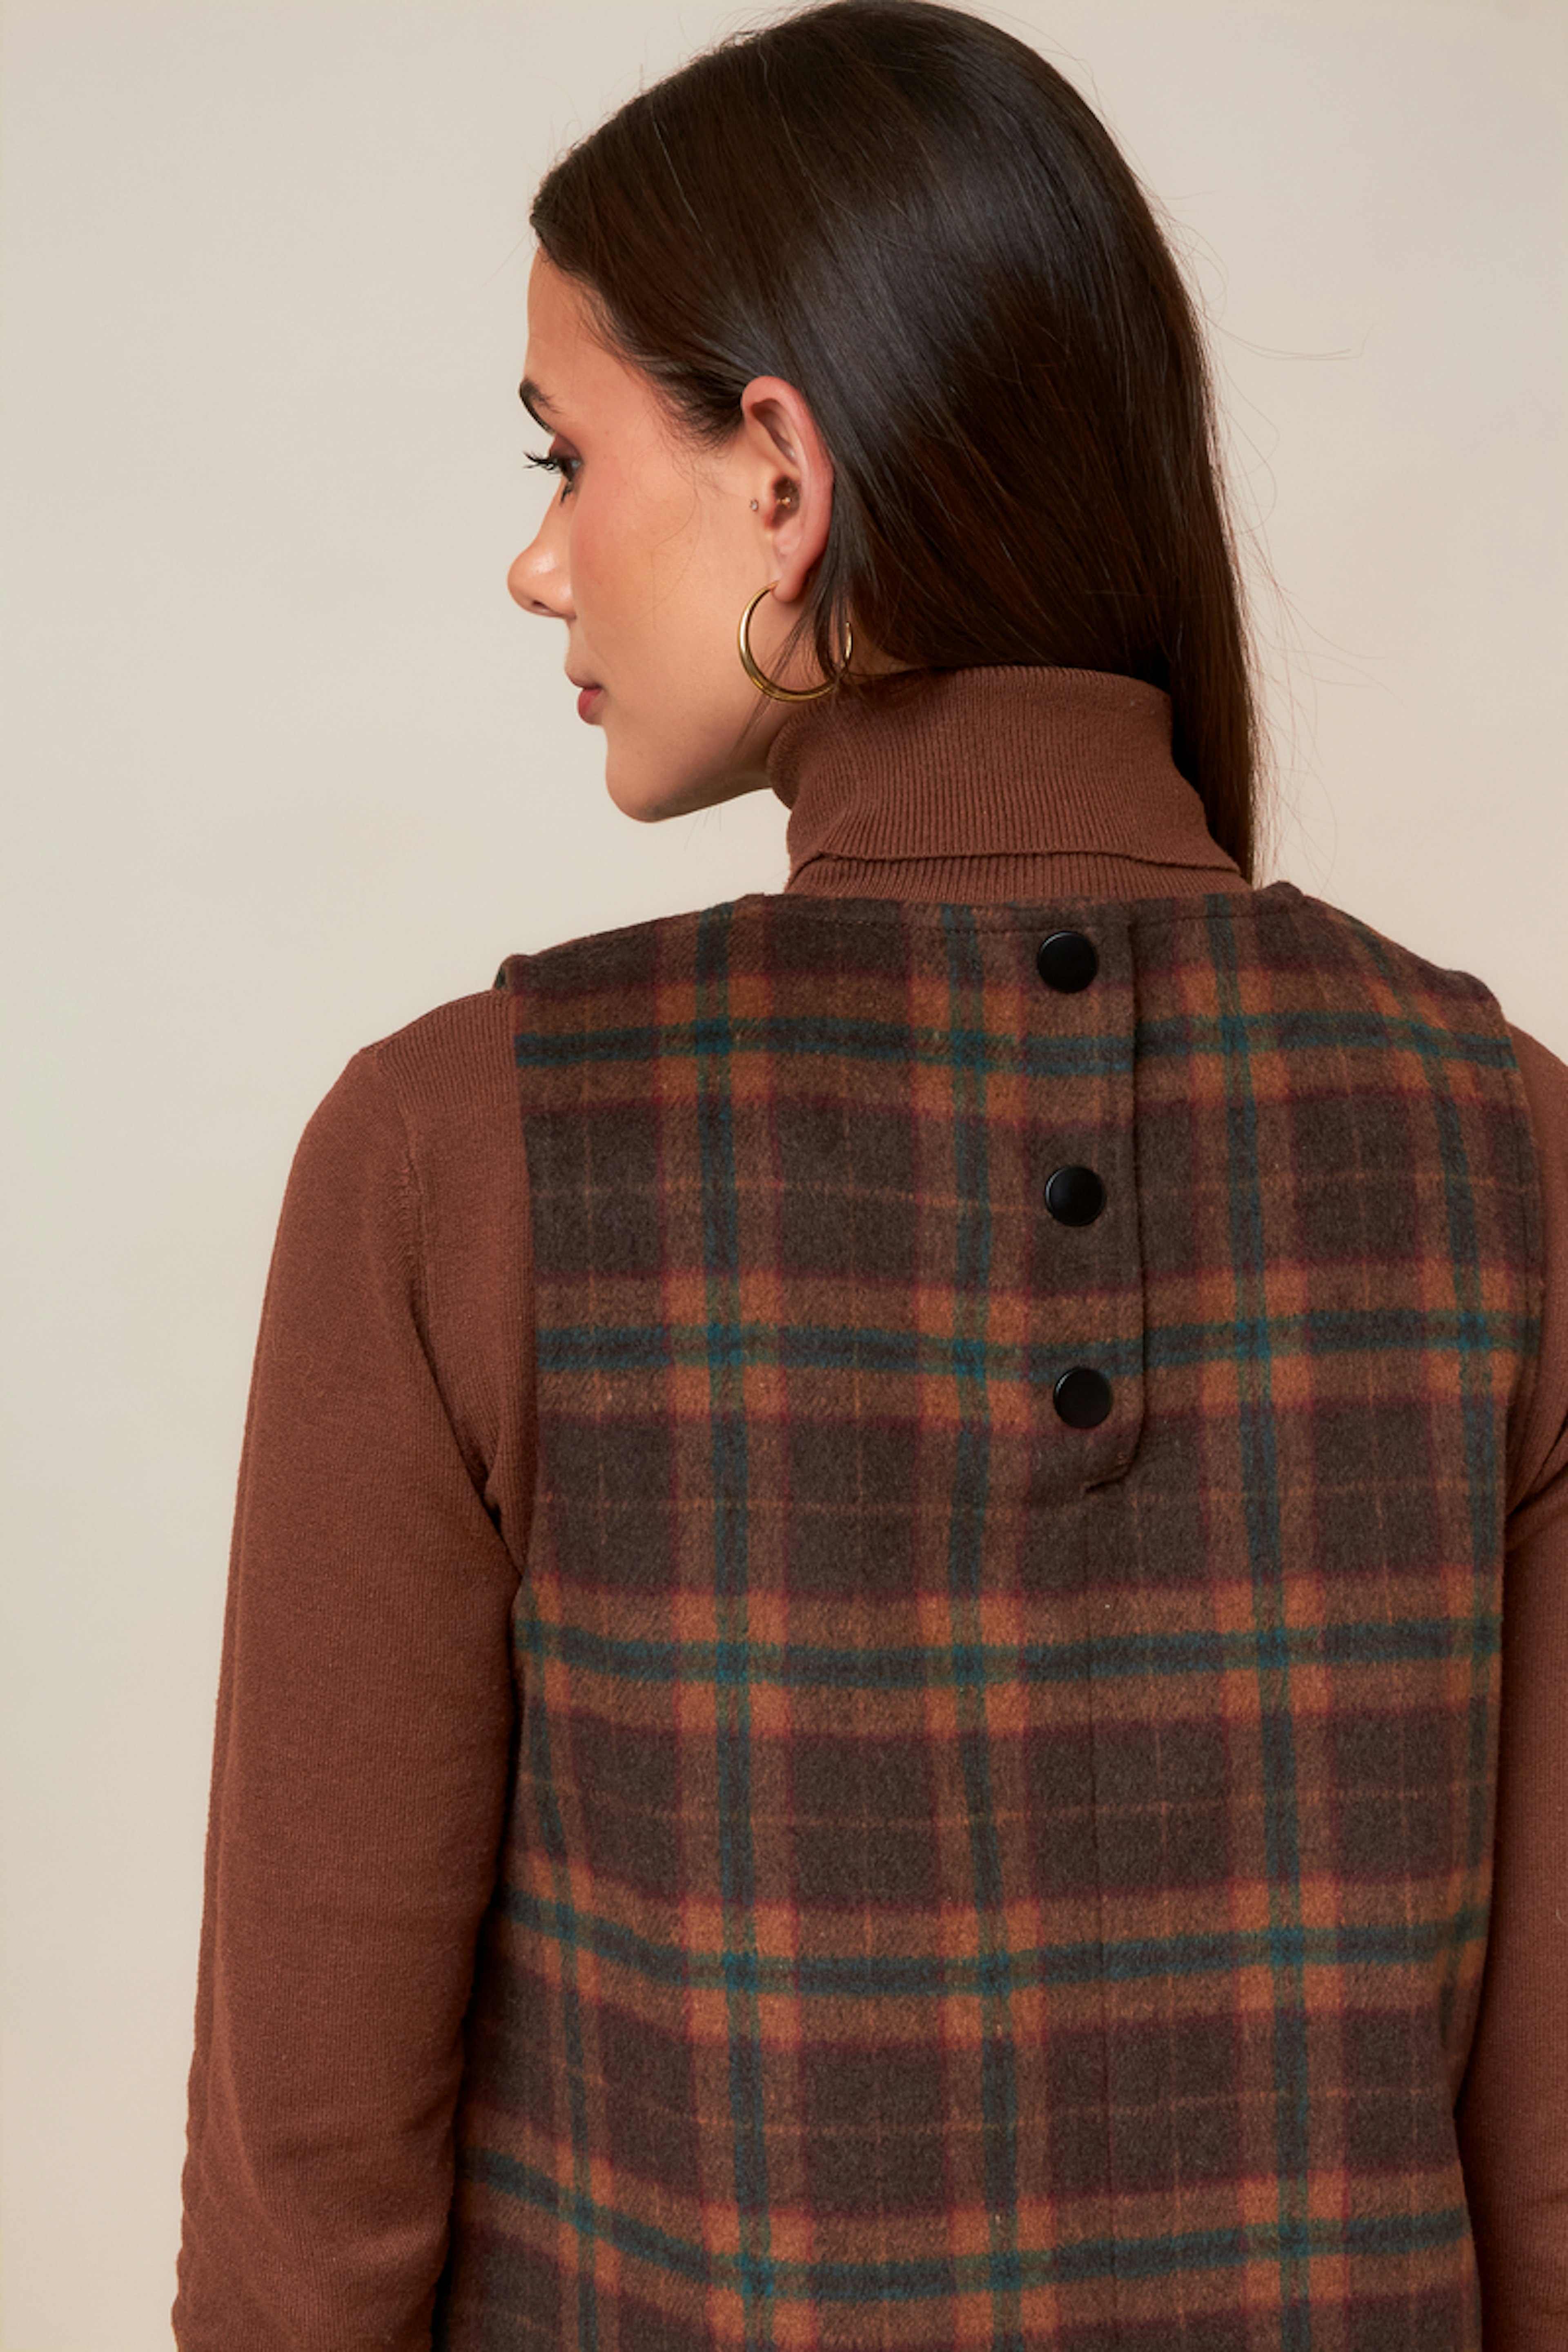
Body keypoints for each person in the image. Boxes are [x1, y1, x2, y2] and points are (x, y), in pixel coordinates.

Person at [172, 3, 1568, 2345]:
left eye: (566, 455)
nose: (537, 563)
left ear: (782, 476)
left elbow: (309, 2214)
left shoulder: (459, 1153)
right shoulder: (1509, 1146)